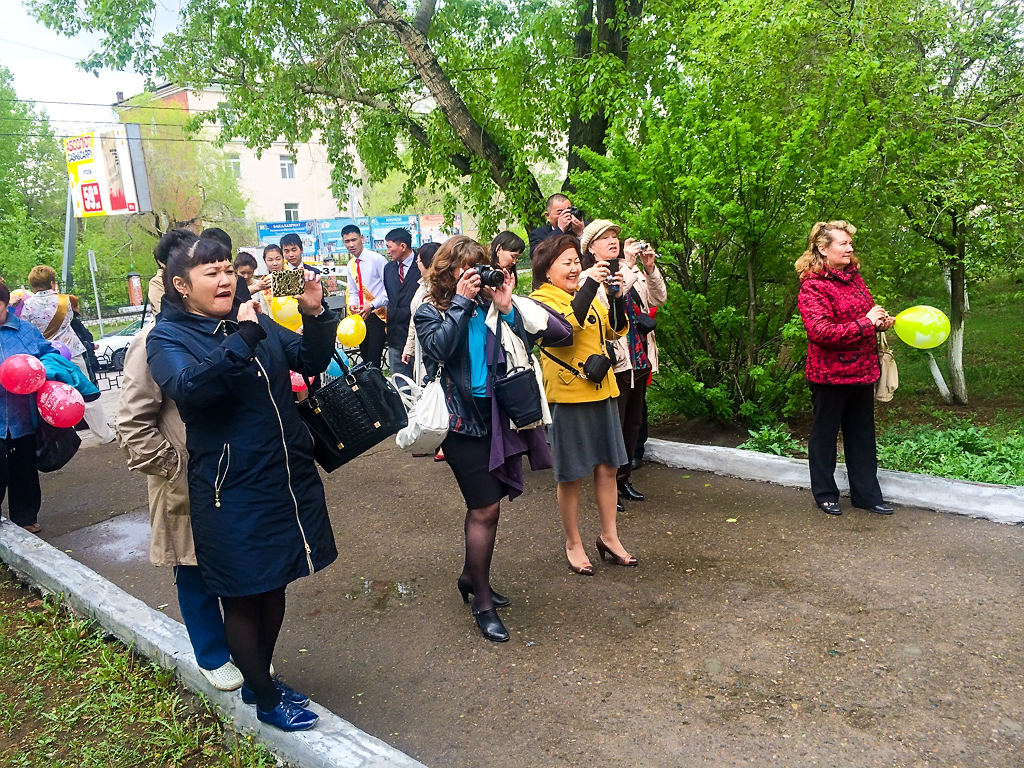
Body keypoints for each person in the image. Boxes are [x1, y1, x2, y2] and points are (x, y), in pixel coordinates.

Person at [147, 233, 339, 731]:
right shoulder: (167, 338)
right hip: (228, 487)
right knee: (243, 594)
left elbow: (310, 360)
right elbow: (190, 389)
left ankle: (261, 684)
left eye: (227, 269)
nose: (225, 278)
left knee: (274, 586)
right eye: (211, 272)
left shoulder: (248, 319)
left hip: (282, 477)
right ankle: (267, 699)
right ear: (180, 286)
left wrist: (318, 315)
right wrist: (245, 339)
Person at [414, 236, 571, 642]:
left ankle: (470, 576)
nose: (473, 275)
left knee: (492, 507)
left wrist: (505, 306)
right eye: (463, 268)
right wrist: (464, 303)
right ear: (448, 272)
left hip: (498, 418)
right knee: (483, 508)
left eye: (478, 267)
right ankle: (481, 599)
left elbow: (549, 335)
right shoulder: (429, 310)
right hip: (462, 424)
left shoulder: (493, 304)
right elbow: (438, 350)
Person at [116, 287, 245, 692]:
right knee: (192, 565)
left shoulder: (223, 328)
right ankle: (212, 654)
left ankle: (245, 648)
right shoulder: (154, 337)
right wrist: (173, 467)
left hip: (231, 470)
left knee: (240, 561)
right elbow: (133, 421)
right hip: (186, 474)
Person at [529, 234, 636, 575]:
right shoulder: (537, 301)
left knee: (608, 467)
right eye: (568, 262)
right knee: (572, 474)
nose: (576, 268)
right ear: (548, 271)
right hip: (570, 395)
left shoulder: (586, 294)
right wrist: (590, 286)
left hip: (602, 390)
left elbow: (615, 331)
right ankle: (573, 542)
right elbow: (563, 330)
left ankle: (609, 537)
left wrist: (617, 298)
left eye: (578, 261)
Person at [796, 220, 895, 517]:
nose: (850, 248)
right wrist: (866, 322)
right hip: (829, 376)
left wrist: (880, 322)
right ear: (823, 249)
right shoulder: (813, 286)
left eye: (851, 243)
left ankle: (866, 495)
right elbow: (821, 332)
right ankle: (825, 494)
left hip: (863, 372)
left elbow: (862, 317)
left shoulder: (854, 278)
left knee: (862, 436)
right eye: (844, 244)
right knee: (825, 437)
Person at [0, 282, 100, 534]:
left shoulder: (25, 330)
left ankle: (25, 518)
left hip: (24, 416)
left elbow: (47, 353)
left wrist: (41, 368)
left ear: (5, 305)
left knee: (24, 468)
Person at [581, 223, 667, 504]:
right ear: (591, 248)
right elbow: (605, 307)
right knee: (613, 427)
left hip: (639, 359)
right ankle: (606, 487)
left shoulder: (632, 272)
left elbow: (659, 298)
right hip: (613, 364)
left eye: (615, 237)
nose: (612, 242)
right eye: (604, 238)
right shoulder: (588, 278)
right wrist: (628, 267)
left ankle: (622, 480)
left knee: (633, 425)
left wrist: (650, 268)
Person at [20, 265, 114, 444]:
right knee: (87, 392)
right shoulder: (64, 301)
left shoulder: (26, 306)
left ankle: (62, 440)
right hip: (71, 351)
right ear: (52, 283)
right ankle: (104, 435)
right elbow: (68, 321)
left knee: (52, 396)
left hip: (44, 356)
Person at [342, 224, 388, 367]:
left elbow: (389, 290)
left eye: (353, 240)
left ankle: (378, 389)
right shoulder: (351, 265)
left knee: (373, 362)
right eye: (347, 241)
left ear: (362, 238)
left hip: (378, 315)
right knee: (365, 360)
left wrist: (372, 305)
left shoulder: (377, 260)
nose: (351, 244)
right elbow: (354, 291)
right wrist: (352, 305)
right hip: (360, 317)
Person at [383, 228, 420, 380]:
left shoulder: (422, 265)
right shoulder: (388, 269)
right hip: (395, 336)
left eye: (389, 247)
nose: (387, 251)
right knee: (400, 385)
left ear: (403, 246)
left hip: (417, 336)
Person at [401, 241, 440, 383]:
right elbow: (415, 318)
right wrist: (409, 348)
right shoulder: (422, 285)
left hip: (433, 347)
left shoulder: (440, 288)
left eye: (419, 261)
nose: (417, 265)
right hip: (420, 345)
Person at [528, 193, 585, 259]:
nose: (565, 215)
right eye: (560, 213)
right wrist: (559, 230)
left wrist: (580, 233)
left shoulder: (584, 227)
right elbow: (536, 256)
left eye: (568, 211)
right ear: (548, 216)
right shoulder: (538, 234)